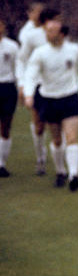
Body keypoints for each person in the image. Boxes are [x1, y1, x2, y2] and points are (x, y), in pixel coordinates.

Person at [22, 16, 78, 190]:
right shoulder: (40, 53)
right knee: (57, 140)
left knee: (71, 137)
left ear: (61, 33)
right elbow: (31, 74)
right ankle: (60, 171)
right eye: (46, 31)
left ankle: (74, 175)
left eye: (51, 31)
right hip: (49, 99)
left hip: (70, 97)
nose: (48, 34)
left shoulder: (74, 50)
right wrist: (28, 94)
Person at [16, 7, 62, 176]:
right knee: (39, 125)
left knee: (57, 126)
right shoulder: (32, 37)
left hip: (55, 87)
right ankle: (41, 158)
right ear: (46, 21)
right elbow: (21, 61)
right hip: (36, 86)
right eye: (56, 19)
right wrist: (22, 84)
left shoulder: (61, 35)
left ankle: (60, 161)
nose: (59, 23)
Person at [0, 20, 19, 177]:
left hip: (7, 88)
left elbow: (18, 68)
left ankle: (2, 163)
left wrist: (21, 88)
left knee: (6, 126)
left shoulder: (12, 46)